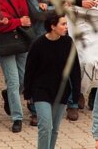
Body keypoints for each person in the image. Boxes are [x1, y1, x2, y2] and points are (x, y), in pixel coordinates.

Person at [24, 14, 81, 149]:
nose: (66, 27)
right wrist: (27, 93)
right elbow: (29, 70)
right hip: (41, 90)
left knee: (54, 128)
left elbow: (75, 69)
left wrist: (76, 93)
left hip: (61, 91)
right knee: (45, 127)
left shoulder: (68, 42)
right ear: (52, 26)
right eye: (63, 24)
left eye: (66, 24)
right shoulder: (38, 44)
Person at [0, 0, 31, 133]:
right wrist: (18, 21)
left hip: (22, 40)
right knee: (14, 82)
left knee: (23, 80)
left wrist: (14, 21)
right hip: (7, 43)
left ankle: (8, 95)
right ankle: (17, 117)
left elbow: (27, 11)